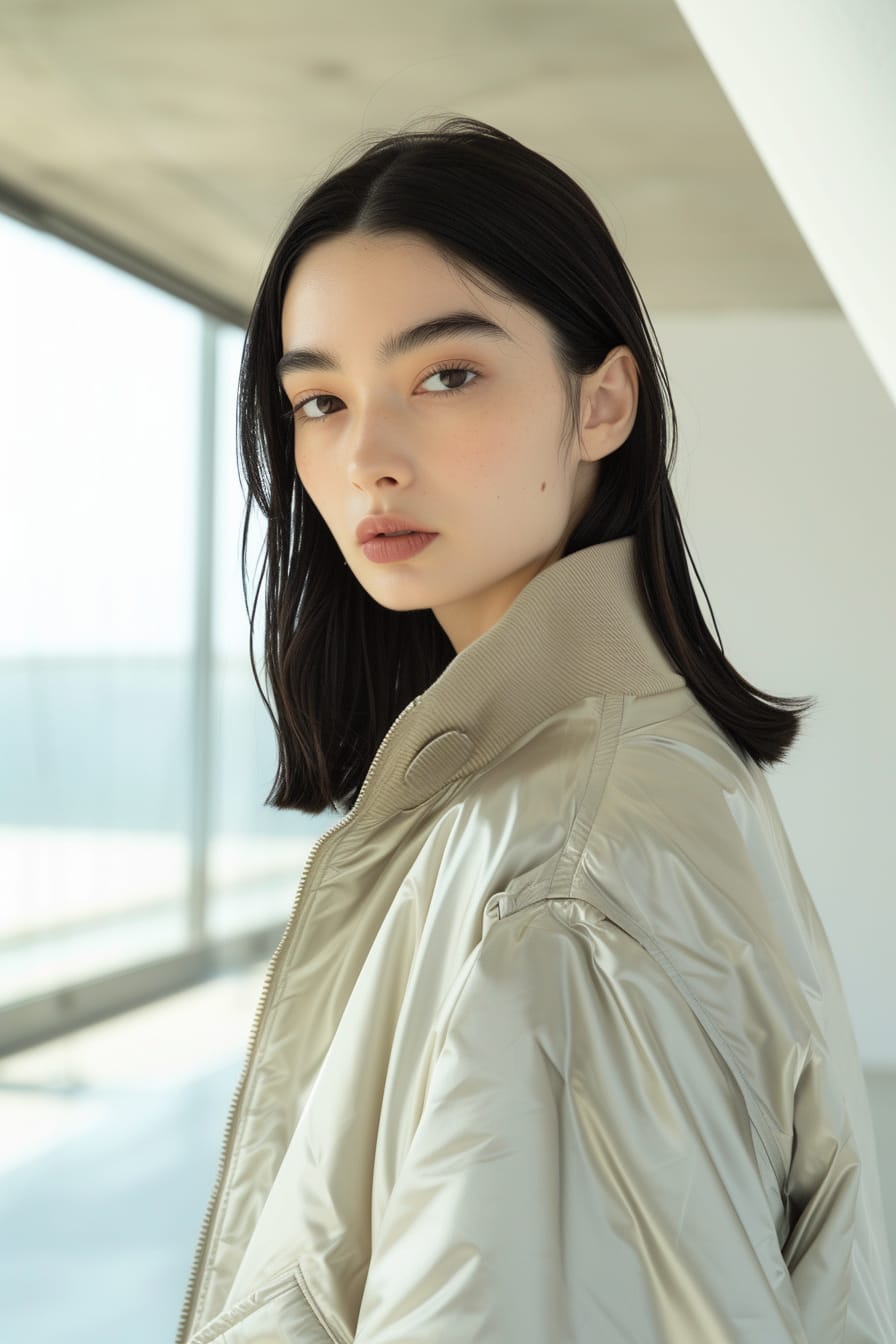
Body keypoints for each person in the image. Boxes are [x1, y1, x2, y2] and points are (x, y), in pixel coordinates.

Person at [176, 116, 895, 1343]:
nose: (366, 457)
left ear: (601, 401)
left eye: (444, 375)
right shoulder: (605, 772)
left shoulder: (554, 886)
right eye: (317, 399)